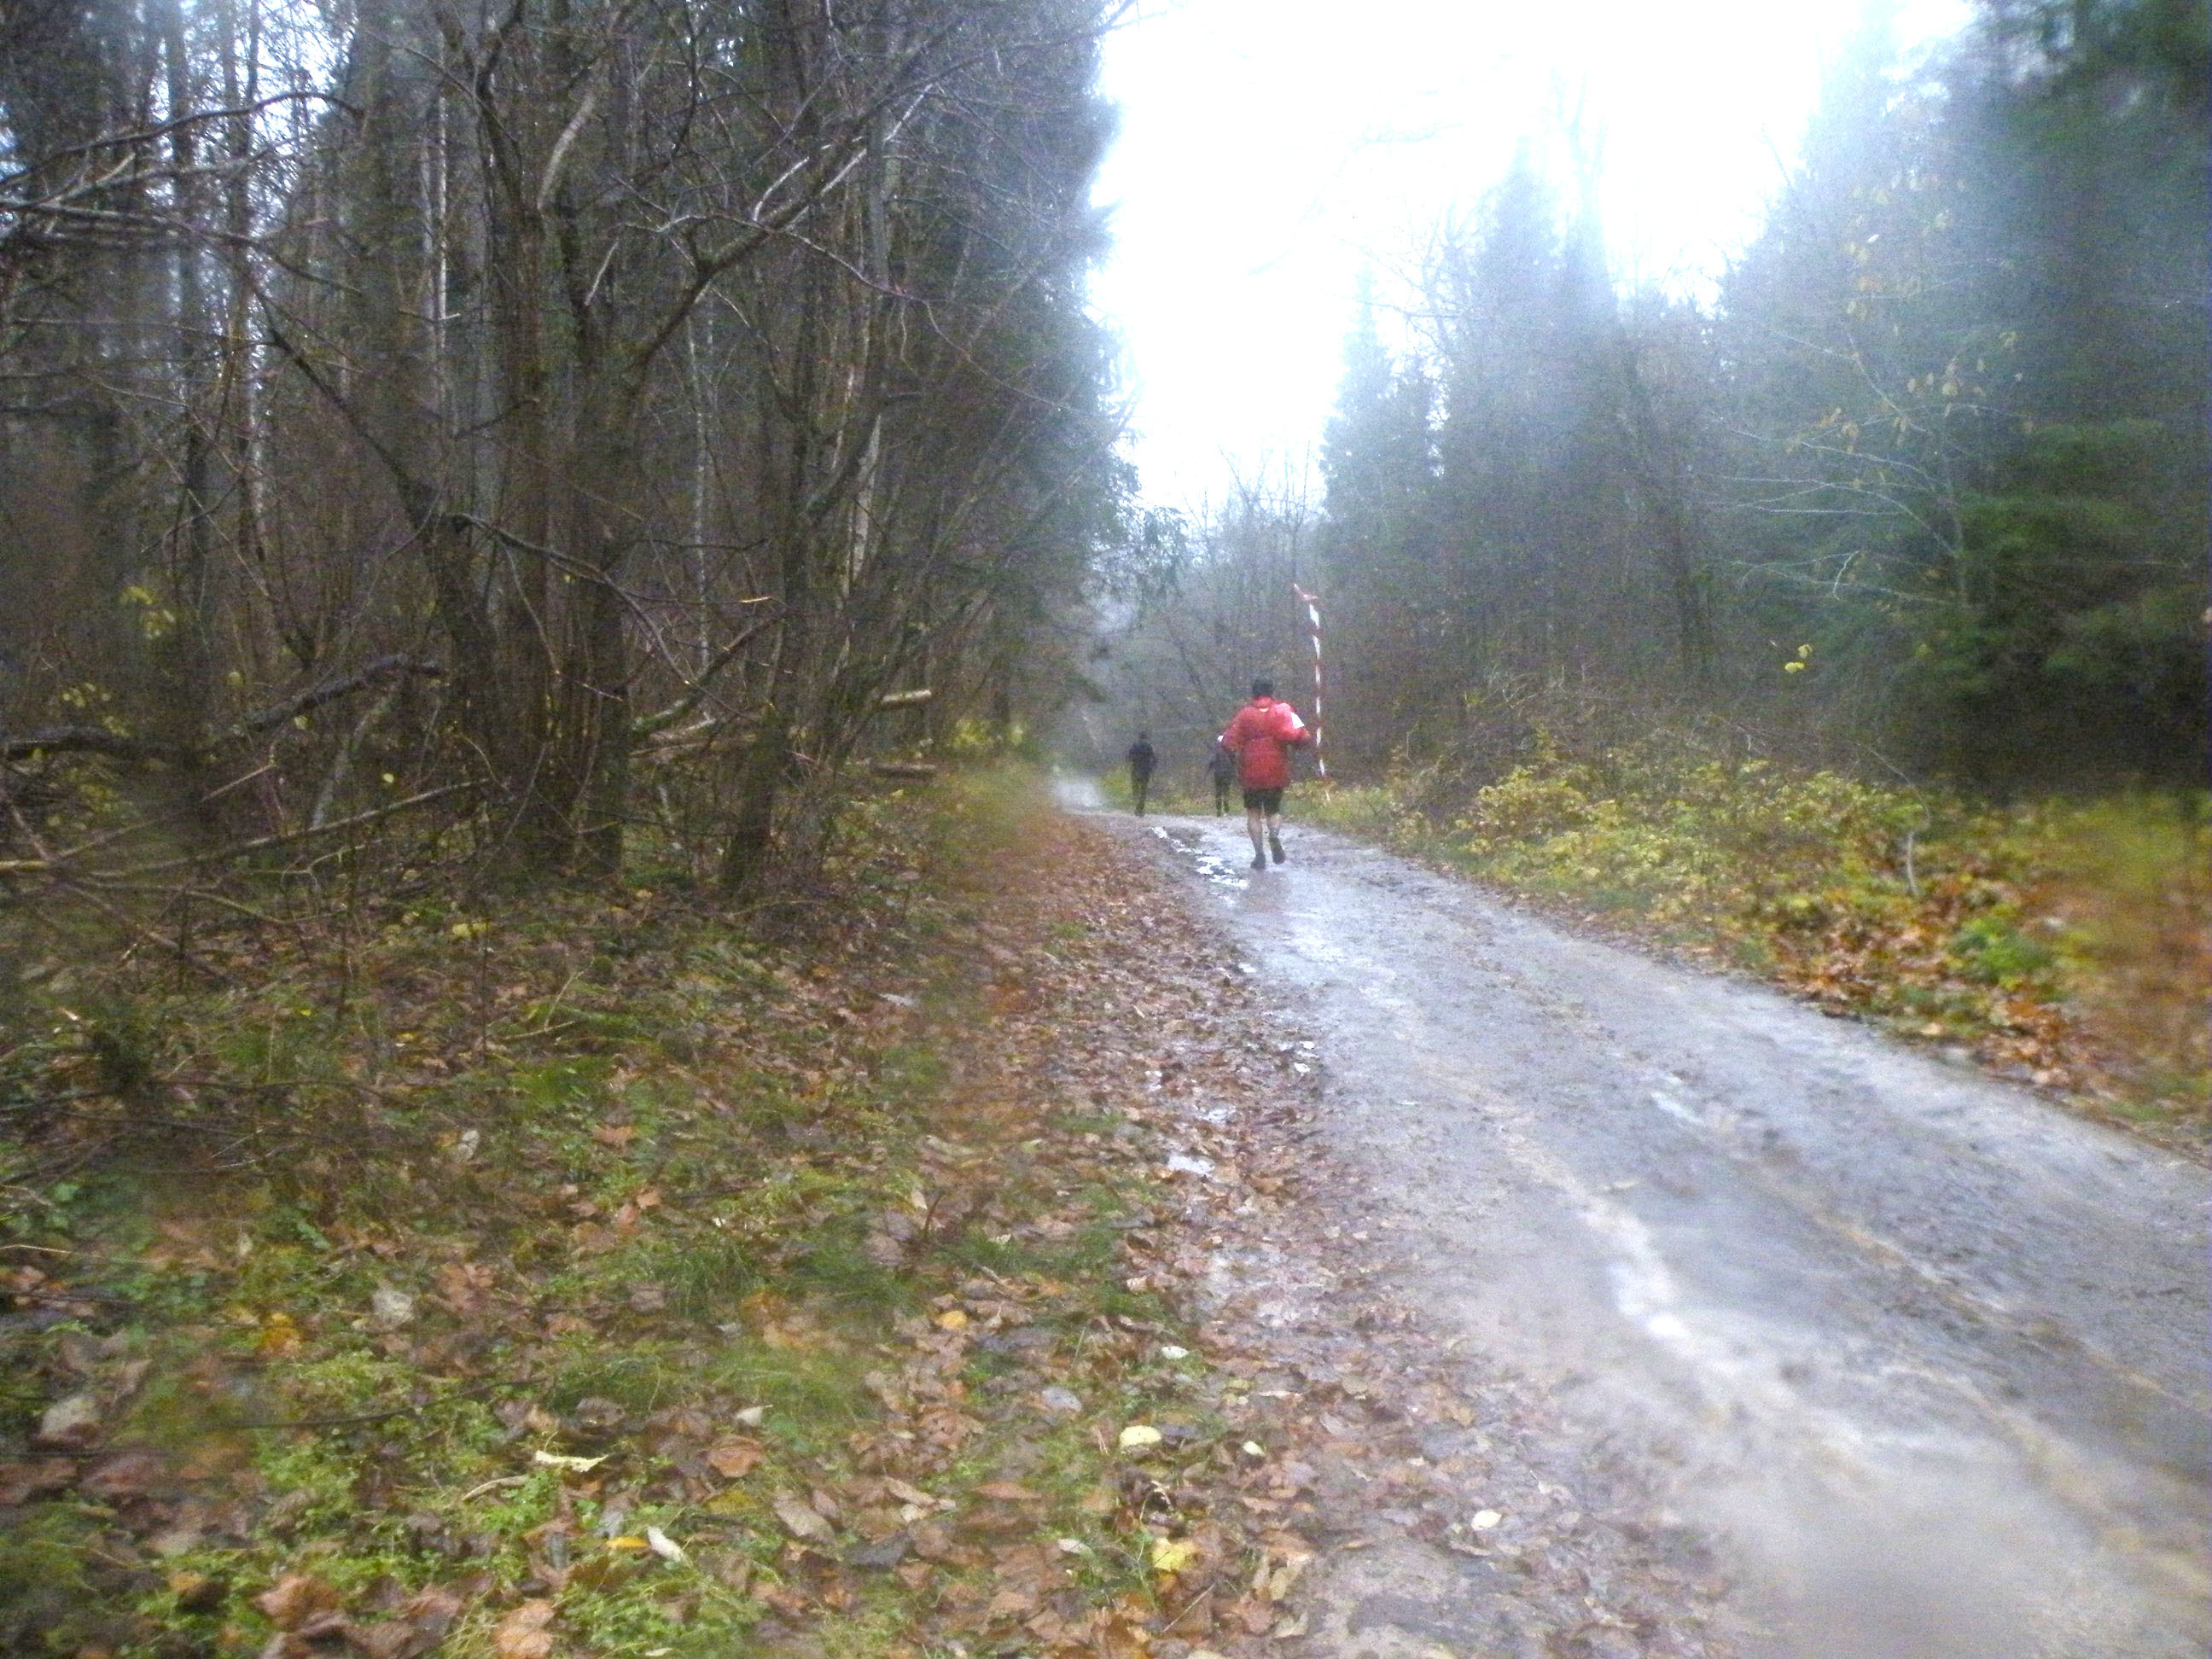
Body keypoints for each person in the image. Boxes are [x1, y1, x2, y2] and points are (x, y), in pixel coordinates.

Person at [1218, 678, 1312, 870]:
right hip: (1276, 768)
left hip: (1250, 770)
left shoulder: (1245, 714)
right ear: (1272, 692)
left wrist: (1225, 744)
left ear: (1254, 693)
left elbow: (1229, 741)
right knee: (1273, 810)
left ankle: (1259, 854)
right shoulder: (1282, 711)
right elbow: (1301, 737)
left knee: (1253, 813)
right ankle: (1274, 835)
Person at [1125, 731, 1157, 816]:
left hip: (1136, 769)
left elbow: (1129, 756)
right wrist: (1153, 767)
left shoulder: (1135, 745)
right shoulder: (1149, 746)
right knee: (1144, 789)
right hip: (1146, 770)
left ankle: (1136, 805)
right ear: (1146, 737)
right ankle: (1140, 808)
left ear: (1139, 737)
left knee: (1135, 788)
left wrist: (1131, 762)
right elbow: (1154, 758)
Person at [1207, 739, 1237, 816]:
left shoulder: (1216, 751)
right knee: (1226, 790)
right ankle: (1226, 808)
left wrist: (1208, 771)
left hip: (1218, 773)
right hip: (1227, 773)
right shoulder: (1230, 750)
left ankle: (1219, 810)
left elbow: (1212, 761)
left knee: (1218, 791)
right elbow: (1234, 761)